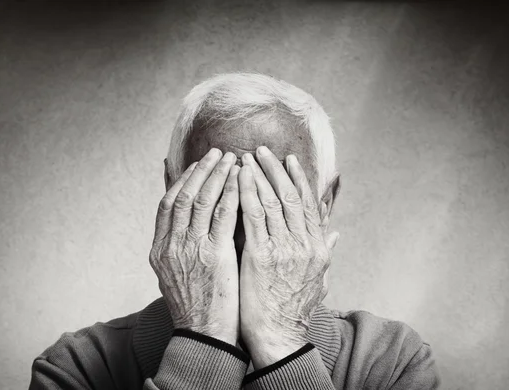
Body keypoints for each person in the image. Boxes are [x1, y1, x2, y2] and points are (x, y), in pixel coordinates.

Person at [29, 73, 440, 389]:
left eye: (273, 197)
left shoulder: (392, 362)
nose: (243, 225)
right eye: (217, 192)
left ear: (324, 205)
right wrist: (203, 336)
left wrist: (283, 343)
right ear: (173, 189)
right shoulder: (78, 367)